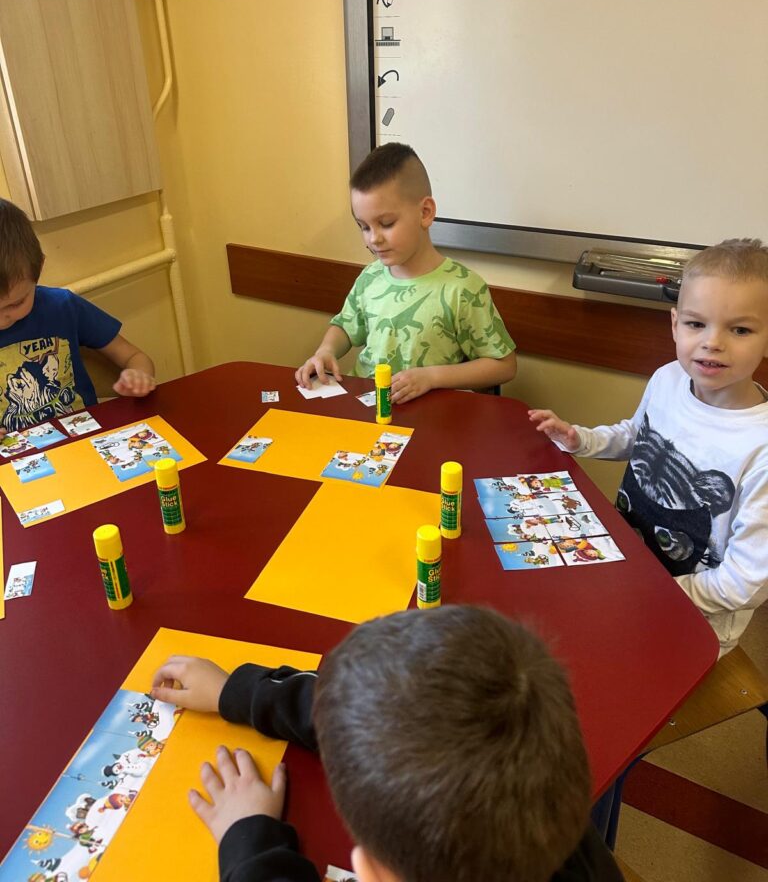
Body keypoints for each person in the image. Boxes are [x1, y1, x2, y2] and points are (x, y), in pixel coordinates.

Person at [150, 606, 624, 882]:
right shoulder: (546, 820)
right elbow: (401, 713)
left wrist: (246, 835)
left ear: (371, 873)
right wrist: (236, 691)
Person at [530, 238, 768, 655]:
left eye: (740, 330)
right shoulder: (669, 378)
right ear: (675, 324)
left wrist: (649, 593)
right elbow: (638, 435)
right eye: (696, 324)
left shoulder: (759, 446)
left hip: (696, 620)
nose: (713, 342)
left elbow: (744, 582)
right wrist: (582, 439)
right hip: (631, 567)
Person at [295, 143, 517, 404]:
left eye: (386, 224)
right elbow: (345, 326)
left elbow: (504, 366)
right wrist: (326, 351)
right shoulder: (370, 277)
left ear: (425, 213)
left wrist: (431, 377)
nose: (373, 238)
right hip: (369, 410)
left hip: (432, 416)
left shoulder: (463, 288)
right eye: (364, 227)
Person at [0, 198, 155, 432]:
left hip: (86, 437)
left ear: (39, 268)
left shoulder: (63, 306)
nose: (2, 320)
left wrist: (139, 376)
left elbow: (134, 356)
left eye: (16, 303)